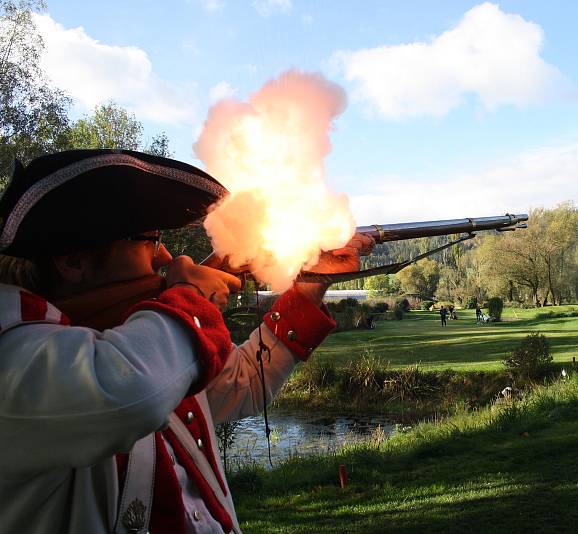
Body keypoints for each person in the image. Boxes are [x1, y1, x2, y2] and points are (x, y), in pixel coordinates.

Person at [0, 149, 374, 533]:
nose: (163, 254)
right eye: (148, 238)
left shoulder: (132, 338)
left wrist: (310, 284)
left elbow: (240, 385)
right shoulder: (13, 350)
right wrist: (189, 299)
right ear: (74, 261)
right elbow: (129, 390)